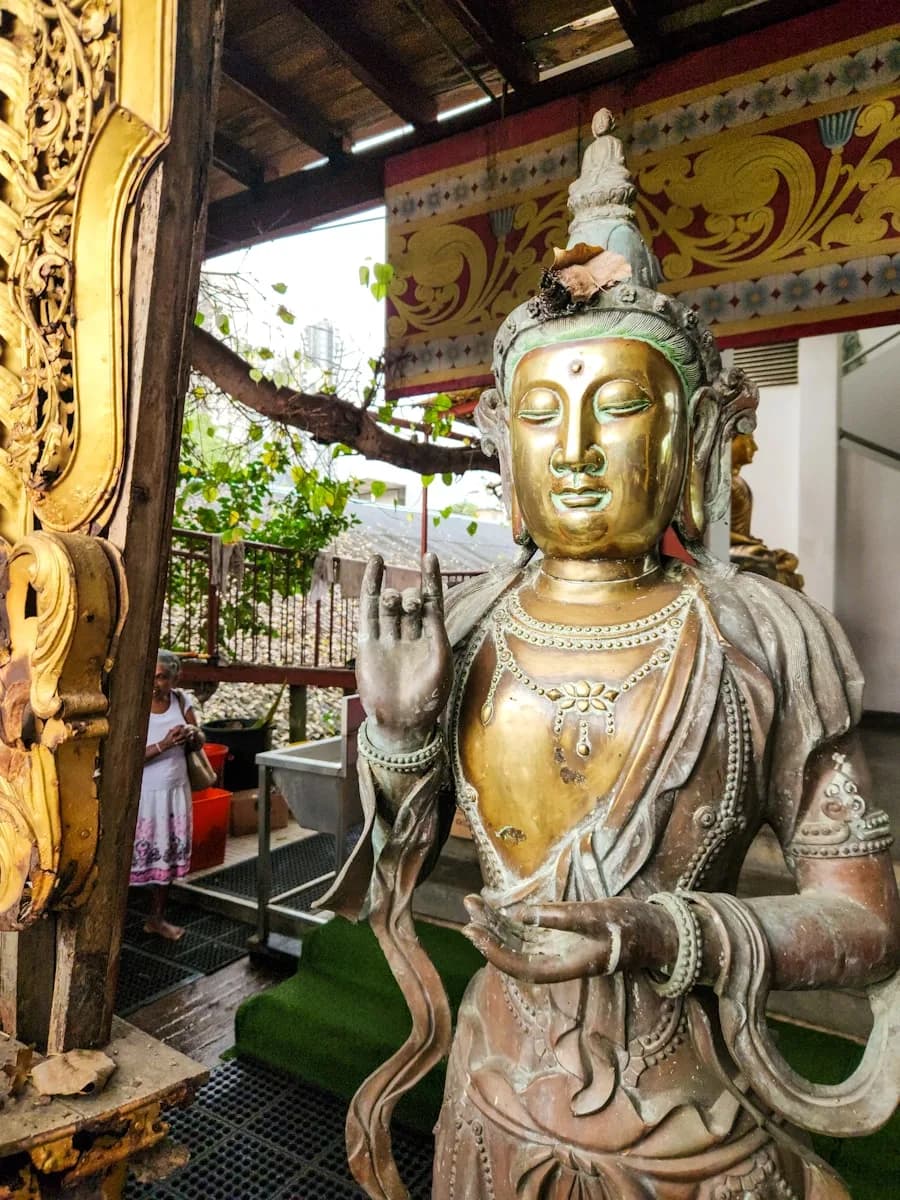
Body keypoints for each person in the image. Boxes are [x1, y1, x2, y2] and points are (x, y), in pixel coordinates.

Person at [322, 111, 900, 1200]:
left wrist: (657, 928)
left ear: (688, 438)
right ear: (504, 443)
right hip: (490, 1107)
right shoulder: (472, 626)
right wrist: (398, 739)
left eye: (621, 406)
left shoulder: (767, 638)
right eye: (545, 415)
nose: (578, 451)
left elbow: (867, 922)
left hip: (690, 1127)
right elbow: (393, 858)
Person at [130, 650, 204, 939]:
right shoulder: (135, 703)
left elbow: (199, 740)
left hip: (174, 793)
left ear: (175, 678)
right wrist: (163, 744)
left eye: (162, 677)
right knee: (131, 856)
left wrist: (193, 736)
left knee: (167, 856)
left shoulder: (181, 702)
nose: (156, 682)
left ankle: (156, 919)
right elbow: (127, 757)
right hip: (144, 795)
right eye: (152, 676)